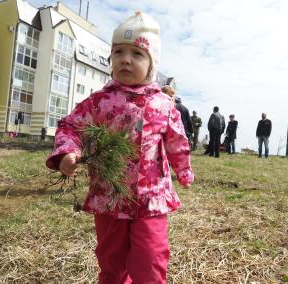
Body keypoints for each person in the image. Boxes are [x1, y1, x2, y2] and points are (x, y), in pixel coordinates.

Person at [46, 11, 194, 284]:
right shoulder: (99, 101)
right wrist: (69, 152)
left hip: (150, 200)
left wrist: (183, 170)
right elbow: (71, 127)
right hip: (109, 196)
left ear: (151, 64)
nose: (126, 59)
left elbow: (176, 141)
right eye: (119, 52)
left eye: (137, 54)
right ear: (111, 59)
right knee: (111, 261)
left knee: (150, 261)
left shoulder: (162, 104)